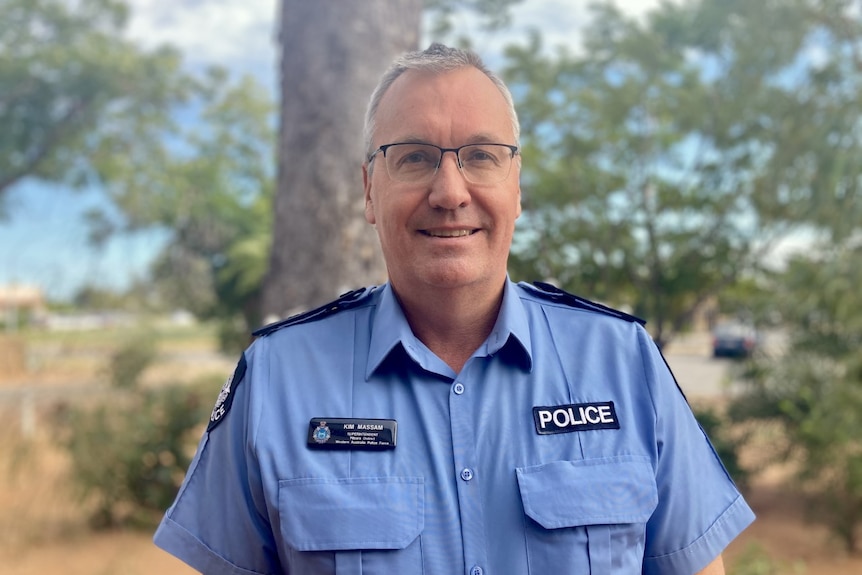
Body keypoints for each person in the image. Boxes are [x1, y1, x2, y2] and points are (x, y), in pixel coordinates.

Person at [154, 43, 754, 575]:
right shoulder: (278, 378)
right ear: (369, 190)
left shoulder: (623, 362)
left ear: (516, 186)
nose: (449, 192)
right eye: (414, 158)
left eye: (481, 156)